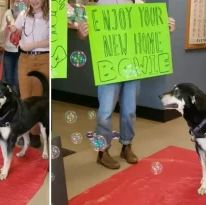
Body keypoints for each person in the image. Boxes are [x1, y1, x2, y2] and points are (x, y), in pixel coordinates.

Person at [75, 0, 176, 169]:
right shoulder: (99, 5)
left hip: (132, 67)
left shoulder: (138, 4)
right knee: (105, 111)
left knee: (129, 110)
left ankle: (126, 145)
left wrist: (166, 28)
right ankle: (103, 151)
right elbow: (85, 35)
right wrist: (82, 32)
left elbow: (150, 33)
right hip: (109, 67)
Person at [9, 0, 49, 148]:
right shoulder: (23, 15)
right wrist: (14, 30)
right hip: (24, 58)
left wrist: (32, 45)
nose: (35, 0)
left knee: (38, 98)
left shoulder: (51, 16)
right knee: (25, 98)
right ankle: (26, 132)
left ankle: (35, 136)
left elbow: (53, 39)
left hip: (44, 59)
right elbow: (17, 32)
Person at [0, 0, 25, 93]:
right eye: (16, 0)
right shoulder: (8, 13)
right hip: (8, 51)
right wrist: (8, 27)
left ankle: (17, 103)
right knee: (8, 80)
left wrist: (18, 29)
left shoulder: (26, 14)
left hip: (21, 51)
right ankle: (10, 102)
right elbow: (1, 33)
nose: (18, 2)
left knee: (17, 80)